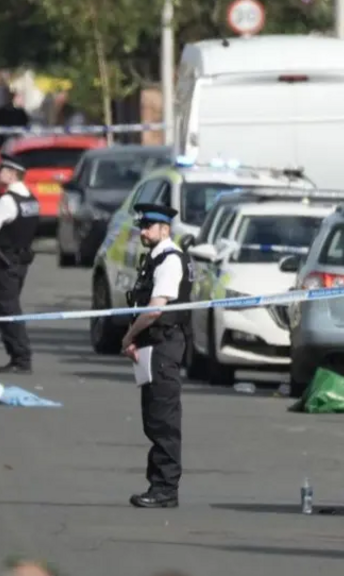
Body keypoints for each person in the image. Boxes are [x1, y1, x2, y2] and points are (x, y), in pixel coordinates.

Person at [121, 203, 194, 509]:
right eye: (142, 225)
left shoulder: (169, 260)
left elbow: (155, 309)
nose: (143, 231)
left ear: (165, 229)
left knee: (163, 420)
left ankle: (165, 489)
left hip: (164, 344)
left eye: (149, 226)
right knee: (153, 419)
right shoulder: (154, 258)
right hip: (153, 345)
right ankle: (159, 484)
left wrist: (128, 336)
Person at [0, 155, 40, 374]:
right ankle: (19, 356)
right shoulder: (31, 199)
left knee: (7, 308)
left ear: (13, 173)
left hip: (7, 260)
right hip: (22, 259)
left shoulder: (8, 200)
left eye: (2, 170)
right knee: (11, 305)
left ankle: (21, 357)